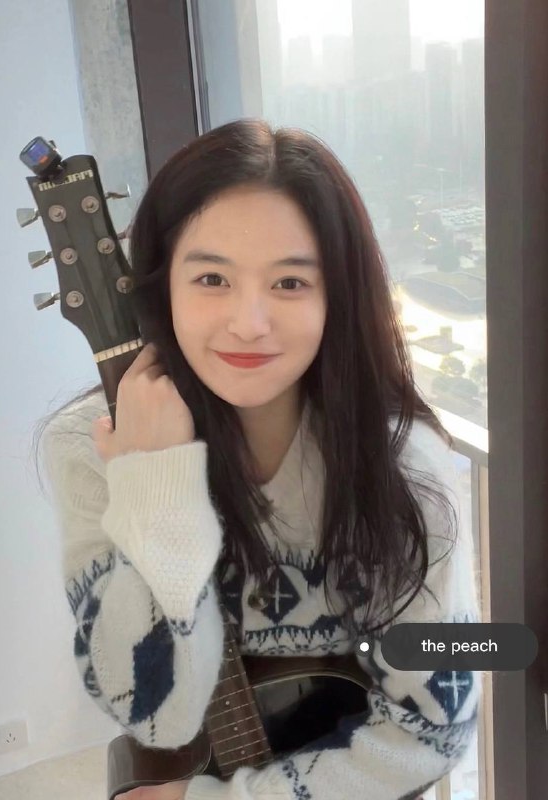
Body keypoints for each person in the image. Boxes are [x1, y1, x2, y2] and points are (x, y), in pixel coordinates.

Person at [36, 118, 481, 800]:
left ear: (338, 295)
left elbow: (435, 730)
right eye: (212, 277)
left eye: (290, 283)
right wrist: (154, 488)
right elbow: (156, 719)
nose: (248, 323)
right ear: (159, 286)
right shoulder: (91, 451)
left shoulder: (406, 471)